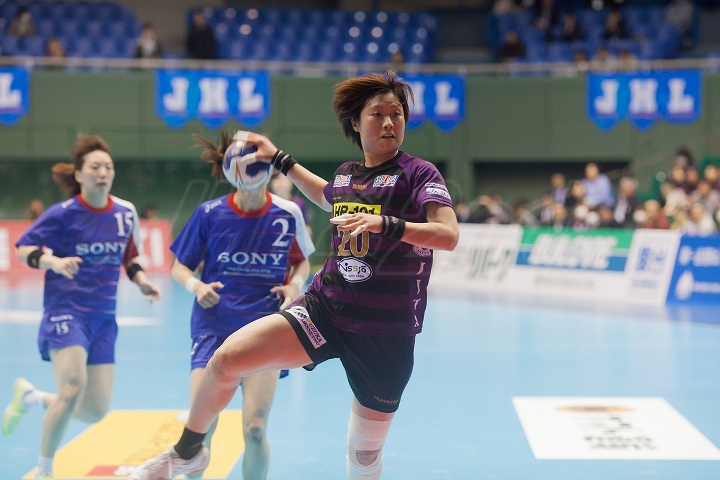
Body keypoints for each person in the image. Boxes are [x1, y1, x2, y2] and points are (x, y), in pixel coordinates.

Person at [128, 70, 459, 480]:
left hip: (385, 333)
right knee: (226, 360)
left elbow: (447, 235)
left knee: (363, 457)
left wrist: (386, 224)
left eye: (397, 114)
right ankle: (188, 452)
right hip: (326, 310)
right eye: (378, 114)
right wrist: (279, 158)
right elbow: (325, 195)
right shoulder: (347, 174)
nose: (390, 122)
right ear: (356, 123)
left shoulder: (419, 173)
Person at [2, 134, 162, 480]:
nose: (102, 173)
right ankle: (44, 470)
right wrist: (53, 262)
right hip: (66, 310)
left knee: (93, 411)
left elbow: (129, 256)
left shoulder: (125, 213)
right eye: (94, 167)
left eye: (108, 167)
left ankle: (30, 397)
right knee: (73, 386)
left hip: (104, 318)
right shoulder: (62, 214)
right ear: (79, 174)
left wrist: (142, 282)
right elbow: (23, 248)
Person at [165, 130, 314, 479]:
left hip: (264, 329)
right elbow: (179, 267)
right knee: (202, 430)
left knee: (256, 429)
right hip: (214, 328)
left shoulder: (288, 212)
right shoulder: (209, 213)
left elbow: (302, 263)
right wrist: (196, 286)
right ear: (231, 169)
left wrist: (293, 286)